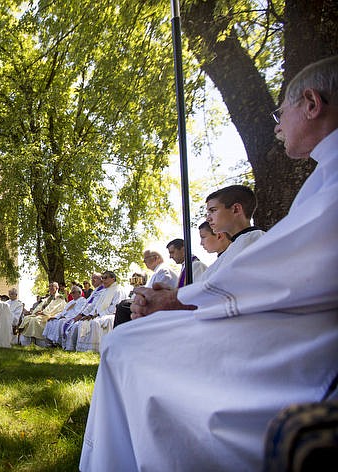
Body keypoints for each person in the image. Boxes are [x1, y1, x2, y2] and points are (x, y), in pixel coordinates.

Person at [80, 55, 338, 471]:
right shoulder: (325, 176)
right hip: (287, 324)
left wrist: (177, 300)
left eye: (281, 111)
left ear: (311, 103)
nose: (277, 125)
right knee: (130, 339)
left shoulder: (328, 183)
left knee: (128, 345)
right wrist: (178, 298)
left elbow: (286, 272)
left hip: (305, 349)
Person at [69, 271, 126, 352]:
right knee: (83, 322)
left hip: (113, 315)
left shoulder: (118, 290)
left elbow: (115, 308)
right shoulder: (105, 291)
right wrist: (91, 315)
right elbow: (97, 306)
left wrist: (98, 314)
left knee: (95, 323)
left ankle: (95, 348)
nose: (103, 280)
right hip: (99, 314)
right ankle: (83, 349)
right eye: (102, 278)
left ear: (113, 279)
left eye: (105, 278)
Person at [17, 282, 66, 346]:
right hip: (41, 314)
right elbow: (40, 306)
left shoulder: (60, 298)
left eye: (52, 286)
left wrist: (43, 313)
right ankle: (26, 341)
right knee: (26, 318)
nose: (50, 288)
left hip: (49, 316)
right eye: (49, 286)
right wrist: (36, 312)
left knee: (34, 320)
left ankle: (38, 340)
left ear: (57, 288)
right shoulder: (48, 298)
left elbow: (55, 308)